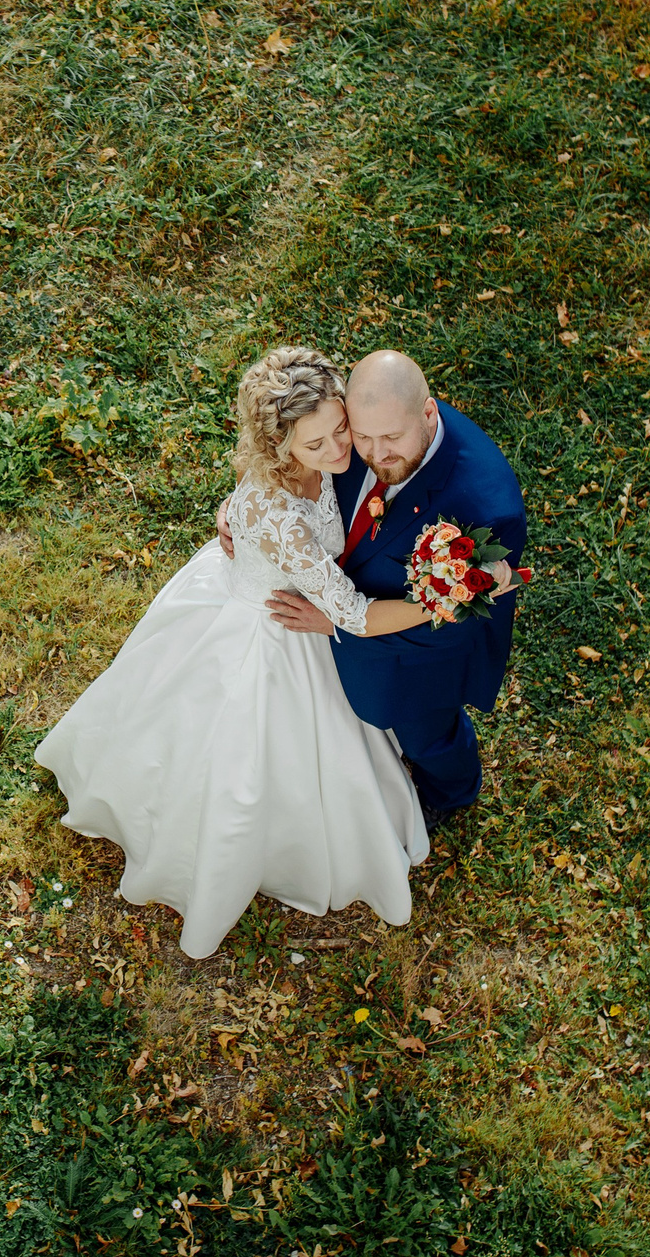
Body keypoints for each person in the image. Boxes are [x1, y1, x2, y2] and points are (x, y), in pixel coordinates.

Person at [35, 347, 432, 960]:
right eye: (315, 444)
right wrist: (443, 600)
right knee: (237, 762)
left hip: (284, 597)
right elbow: (352, 613)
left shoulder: (325, 453)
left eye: (340, 429)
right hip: (263, 633)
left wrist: (234, 511)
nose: (339, 451)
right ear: (280, 448)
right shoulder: (278, 518)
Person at [231, 350, 527, 829]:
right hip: (316, 618)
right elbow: (278, 472)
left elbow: (453, 628)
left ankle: (451, 794)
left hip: (415, 656)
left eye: (391, 438)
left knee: (428, 735)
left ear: (427, 413)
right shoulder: (346, 430)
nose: (372, 453)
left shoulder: (485, 510)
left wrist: (340, 622)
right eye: (362, 435)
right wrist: (241, 516)